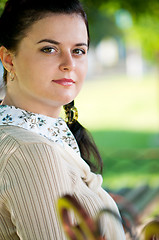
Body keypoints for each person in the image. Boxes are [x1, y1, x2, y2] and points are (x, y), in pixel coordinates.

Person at [0, 0, 125, 239]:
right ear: (8, 59)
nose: (69, 64)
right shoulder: (31, 152)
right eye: (49, 49)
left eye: (78, 50)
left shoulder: (27, 138)